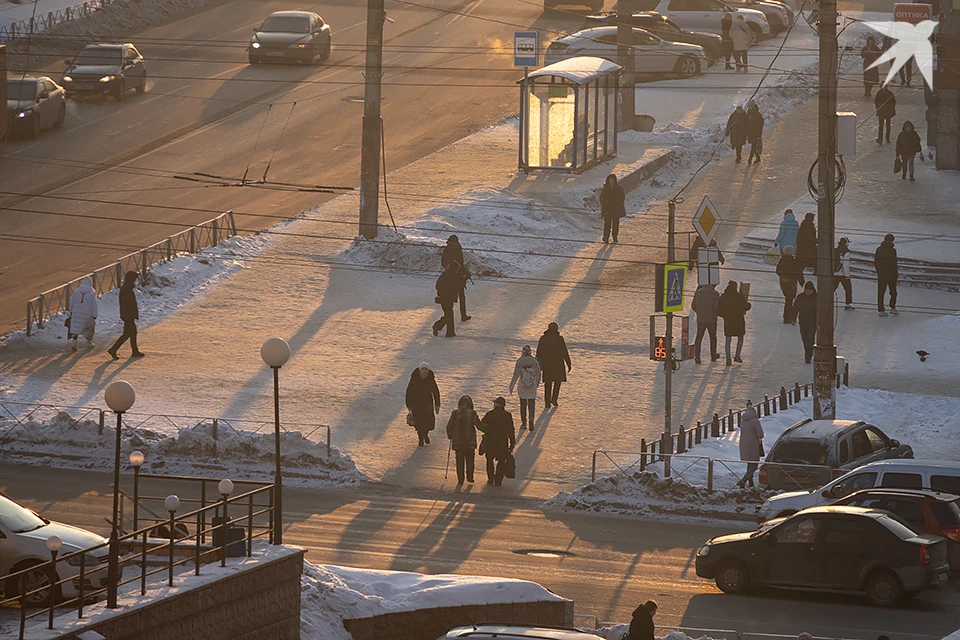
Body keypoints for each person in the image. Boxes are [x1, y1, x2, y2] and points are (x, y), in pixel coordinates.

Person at [479, 397, 516, 486]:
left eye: (494, 403)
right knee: (501, 461)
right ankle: (498, 480)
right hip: (502, 442)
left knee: (489, 460)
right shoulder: (507, 415)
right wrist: (512, 442)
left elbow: (482, 425)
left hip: (490, 441)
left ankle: (491, 478)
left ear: (497, 404)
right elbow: (511, 430)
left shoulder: (490, 414)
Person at [446, 395, 482, 485]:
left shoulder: (454, 413)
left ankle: (460, 479)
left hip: (458, 442)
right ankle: (470, 477)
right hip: (470, 441)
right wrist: (489, 429)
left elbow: (449, 427)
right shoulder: (472, 413)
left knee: (459, 461)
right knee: (470, 459)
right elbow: (479, 425)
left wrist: (450, 435)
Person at [108, 271, 144, 360]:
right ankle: (114, 349)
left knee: (131, 333)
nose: (136, 281)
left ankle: (134, 351)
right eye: (135, 279)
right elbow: (127, 304)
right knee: (128, 334)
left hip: (128, 315)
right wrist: (131, 315)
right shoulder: (127, 289)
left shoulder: (127, 288)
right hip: (128, 316)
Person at [536, 322, 571, 408]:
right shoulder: (559, 339)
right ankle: (554, 399)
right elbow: (564, 352)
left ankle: (547, 402)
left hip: (546, 364)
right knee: (557, 382)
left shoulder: (543, 338)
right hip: (558, 364)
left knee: (547, 384)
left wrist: (537, 363)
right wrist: (568, 363)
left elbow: (538, 352)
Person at [405, 362, 441, 447]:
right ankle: (421, 439)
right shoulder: (414, 379)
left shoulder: (431, 379)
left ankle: (425, 434)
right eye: (423, 369)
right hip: (416, 405)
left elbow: (436, 392)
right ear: (420, 370)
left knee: (428, 423)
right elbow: (408, 393)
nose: (424, 372)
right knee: (419, 424)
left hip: (428, 405)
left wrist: (437, 405)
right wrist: (409, 406)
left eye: (426, 370)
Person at [508, 345, 541, 431]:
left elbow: (515, 375)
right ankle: (531, 418)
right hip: (532, 385)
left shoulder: (519, 361)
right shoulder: (534, 361)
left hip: (522, 385)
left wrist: (511, 386)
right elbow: (539, 373)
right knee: (531, 404)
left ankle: (523, 423)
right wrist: (537, 383)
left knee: (523, 404)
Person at [717, 281, 751, 366]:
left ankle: (728, 358)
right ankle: (737, 355)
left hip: (728, 321)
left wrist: (725, 315)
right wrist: (749, 304)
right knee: (740, 337)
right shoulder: (738, 296)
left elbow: (719, 310)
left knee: (728, 339)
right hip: (738, 320)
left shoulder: (724, 297)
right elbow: (745, 306)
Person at [441, 235, 471, 322]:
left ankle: (447, 316)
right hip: (459, 276)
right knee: (461, 296)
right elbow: (461, 263)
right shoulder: (457, 249)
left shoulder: (446, 249)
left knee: (449, 298)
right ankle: (463, 315)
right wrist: (464, 272)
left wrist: (448, 269)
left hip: (449, 276)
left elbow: (443, 263)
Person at [736, 401, 764, 488]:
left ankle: (750, 483)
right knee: (754, 465)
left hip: (744, 446)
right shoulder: (755, 422)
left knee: (749, 465)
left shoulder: (743, 421)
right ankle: (743, 481)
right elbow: (760, 435)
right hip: (753, 446)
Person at [67, 276, 98, 352]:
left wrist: (71, 310)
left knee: (76, 328)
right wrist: (94, 315)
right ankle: (89, 343)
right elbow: (94, 305)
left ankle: (74, 343)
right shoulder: (92, 293)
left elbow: (72, 301)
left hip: (76, 313)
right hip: (87, 315)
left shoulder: (77, 291)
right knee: (88, 329)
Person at [691, 283, 720, 364]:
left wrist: (699, 312)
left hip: (701, 319)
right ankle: (713, 355)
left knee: (699, 337)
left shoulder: (698, 292)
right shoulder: (715, 293)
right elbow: (716, 307)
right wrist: (715, 314)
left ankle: (697, 356)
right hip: (712, 319)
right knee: (713, 337)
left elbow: (693, 305)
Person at [776, 246, 805, 325]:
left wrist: (783, 276)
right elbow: (798, 272)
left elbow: (777, 271)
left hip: (783, 282)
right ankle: (787, 317)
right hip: (791, 283)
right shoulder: (794, 261)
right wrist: (802, 281)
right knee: (789, 299)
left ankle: (787, 316)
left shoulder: (781, 260)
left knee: (788, 299)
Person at [432, 261, 461, 337]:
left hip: (442, 298)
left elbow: (437, 285)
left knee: (448, 314)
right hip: (449, 298)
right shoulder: (454, 276)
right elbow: (457, 288)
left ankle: (450, 332)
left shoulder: (444, 274)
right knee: (449, 315)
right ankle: (439, 326)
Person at [875, 233, 899, 317]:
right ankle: (893, 307)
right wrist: (896, 274)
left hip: (881, 275)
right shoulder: (893, 250)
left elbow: (876, 261)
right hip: (891, 275)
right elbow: (894, 264)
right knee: (893, 292)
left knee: (881, 292)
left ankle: (881, 309)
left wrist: (879, 271)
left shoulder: (879, 249)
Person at [795, 281, 818, 364]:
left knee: (810, 338)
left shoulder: (817, 298)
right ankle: (808, 352)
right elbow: (796, 307)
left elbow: (820, 311)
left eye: (809, 290)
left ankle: (808, 355)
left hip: (813, 322)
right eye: (806, 290)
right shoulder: (800, 297)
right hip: (803, 322)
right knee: (804, 338)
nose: (808, 291)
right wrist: (793, 318)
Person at [599, 173, 626, 243]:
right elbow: (601, 197)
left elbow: (622, 197)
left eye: (612, 180)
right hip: (607, 208)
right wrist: (604, 203)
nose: (611, 181)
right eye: (610, 180)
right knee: (607, 224)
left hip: (616, 208)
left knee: (615, 224)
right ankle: (606, 237)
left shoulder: (619, 188)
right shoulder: (606, 188)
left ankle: (615, 236)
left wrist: (618, 204)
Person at [833, 236, 854, 310]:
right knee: (848, 289)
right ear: (846, 244)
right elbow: (846, 265)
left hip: (835, 273)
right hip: (842, 274)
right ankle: (847, 304)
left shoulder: (835, 250)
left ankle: (827, 301)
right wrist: (847, 276)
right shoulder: (846, 253)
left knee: (832, 288)